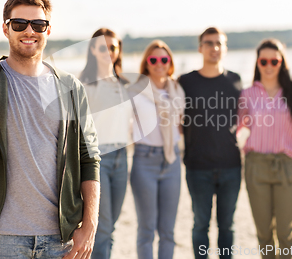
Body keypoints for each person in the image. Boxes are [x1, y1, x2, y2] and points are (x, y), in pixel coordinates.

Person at [0, 0, 101, 259]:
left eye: (38, 24)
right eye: (19, 24)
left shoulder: (70, 87)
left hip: (61, 236)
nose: (29, 31)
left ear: (48, 30)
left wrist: (90, 225)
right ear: (5, 28)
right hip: (3, 237)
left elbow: (89, 157)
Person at [178, 27, 242, 259]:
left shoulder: (235, 80)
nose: (214, 47)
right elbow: (176, 118)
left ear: (225, 48)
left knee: (227, 227)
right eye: (208, 43)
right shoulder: (185, 81)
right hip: (197, 167)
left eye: (218, 43)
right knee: (200, 225)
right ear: (200, 47)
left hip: (231, 166)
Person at [238, 39, 292, 259]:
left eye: (274, 61)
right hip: (256, 166)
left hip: (287, 166)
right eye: (263, 61)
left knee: (286, 231)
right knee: (264, 232)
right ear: (257, 63)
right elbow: (236, 127)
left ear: (281, 62)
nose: (268, 65)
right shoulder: (247, 94)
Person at [128, 40, 185, 259]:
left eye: (164, 59)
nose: (159, 63)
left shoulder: (177, 90)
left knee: (168, 231)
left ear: (170, 62)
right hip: (145, 161)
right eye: (154, 59)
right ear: (146, 64)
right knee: (146, 230)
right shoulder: (135, 90)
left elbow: (179, 123)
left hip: (172, 161)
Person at [79, 28, 132, 259]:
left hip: (123, 156)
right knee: (103, 225)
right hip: (98, 158)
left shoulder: (125, 85)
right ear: (93, 49)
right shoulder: (84, 85)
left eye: (112, 47)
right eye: (103, 47)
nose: (108, 52)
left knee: (111, 226)